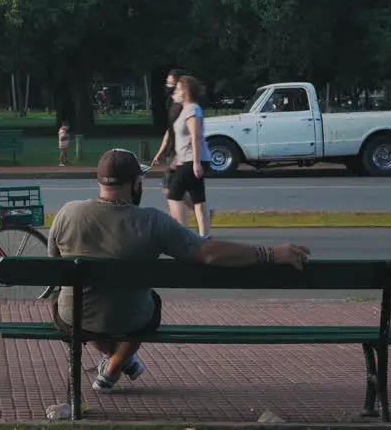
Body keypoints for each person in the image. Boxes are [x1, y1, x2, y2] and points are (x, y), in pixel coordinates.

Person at [48, 148, 310, 393]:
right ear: (135, 183)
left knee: (79, 303)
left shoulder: (67, 213)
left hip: (75, 318)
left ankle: (117, 360)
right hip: (131, 319)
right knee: (148, 305)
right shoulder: (152, 221)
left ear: (99, 182)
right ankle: (117, 364)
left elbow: (54, 265)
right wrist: (271, 253)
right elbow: (208, 253)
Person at [168, 75, 213, 238]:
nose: (175, 91)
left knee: (174, 193)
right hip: (186, 159)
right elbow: (183, 139)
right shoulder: (185, 110)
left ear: (186, 91)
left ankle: (181, 234)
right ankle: (204, 237)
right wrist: (176, 159)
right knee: (198, 200)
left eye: (178, 88)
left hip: (193, 160)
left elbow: (196, 136)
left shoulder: (193, 109)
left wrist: (196, 163)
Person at [151, 69, 198, 215]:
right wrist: (160, 152)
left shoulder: (185, 107)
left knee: (171, 190)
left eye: (171, 84)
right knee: (171, 190)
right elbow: (170, 130)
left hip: (181, 152)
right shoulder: (173, 104)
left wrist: (180, 156)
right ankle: (198, 210)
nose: (168, 87)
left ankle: (191, 215)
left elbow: (191, 134)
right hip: (173, 150)